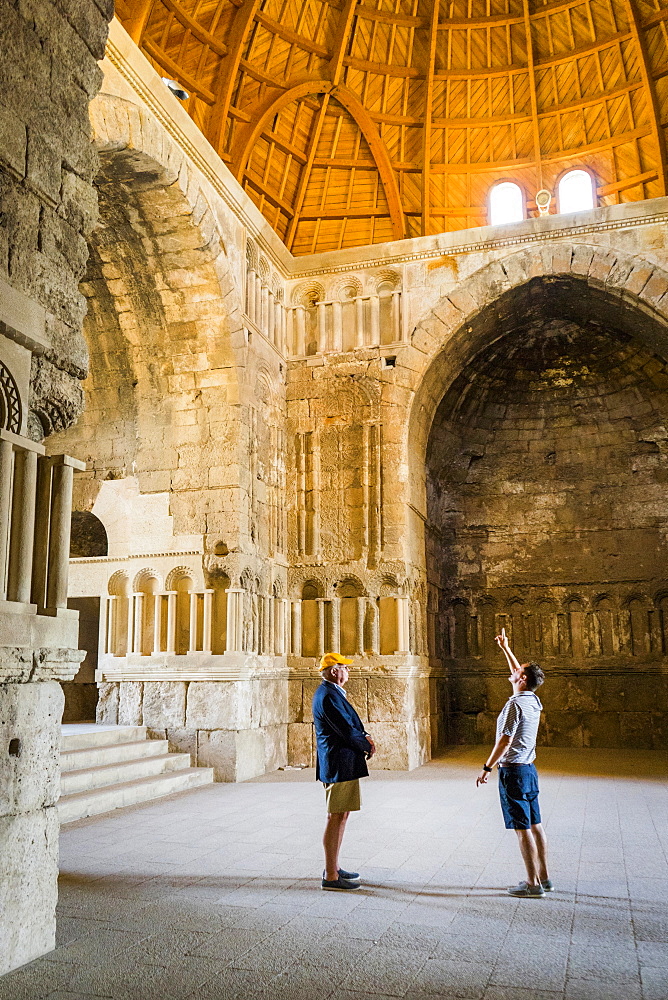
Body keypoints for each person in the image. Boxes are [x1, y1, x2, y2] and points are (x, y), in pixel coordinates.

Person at [476, 627, 553, 898]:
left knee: (522, 830)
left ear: (521, 678)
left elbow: (504, 741)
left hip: (514, 771)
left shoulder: (514, 706)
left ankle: (532, 885)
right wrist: (505, 648)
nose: (513, 671)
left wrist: (487, 767)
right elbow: (519, 676)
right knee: (535, 824)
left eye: (518, 670)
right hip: (530, 769)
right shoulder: (533, 700)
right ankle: (544, 876)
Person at [312, 652, 376, 890]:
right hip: (338, 763)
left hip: (343, 762)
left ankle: (334, 867)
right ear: (333, 671)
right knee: (335, 816)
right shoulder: (327, 695)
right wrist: (367, 743)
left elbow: (350, 725)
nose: (348, 671)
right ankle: (330, 876)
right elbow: (345, 731)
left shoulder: (332, 693)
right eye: (344, 667)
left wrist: (365, 736)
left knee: (342, 815)